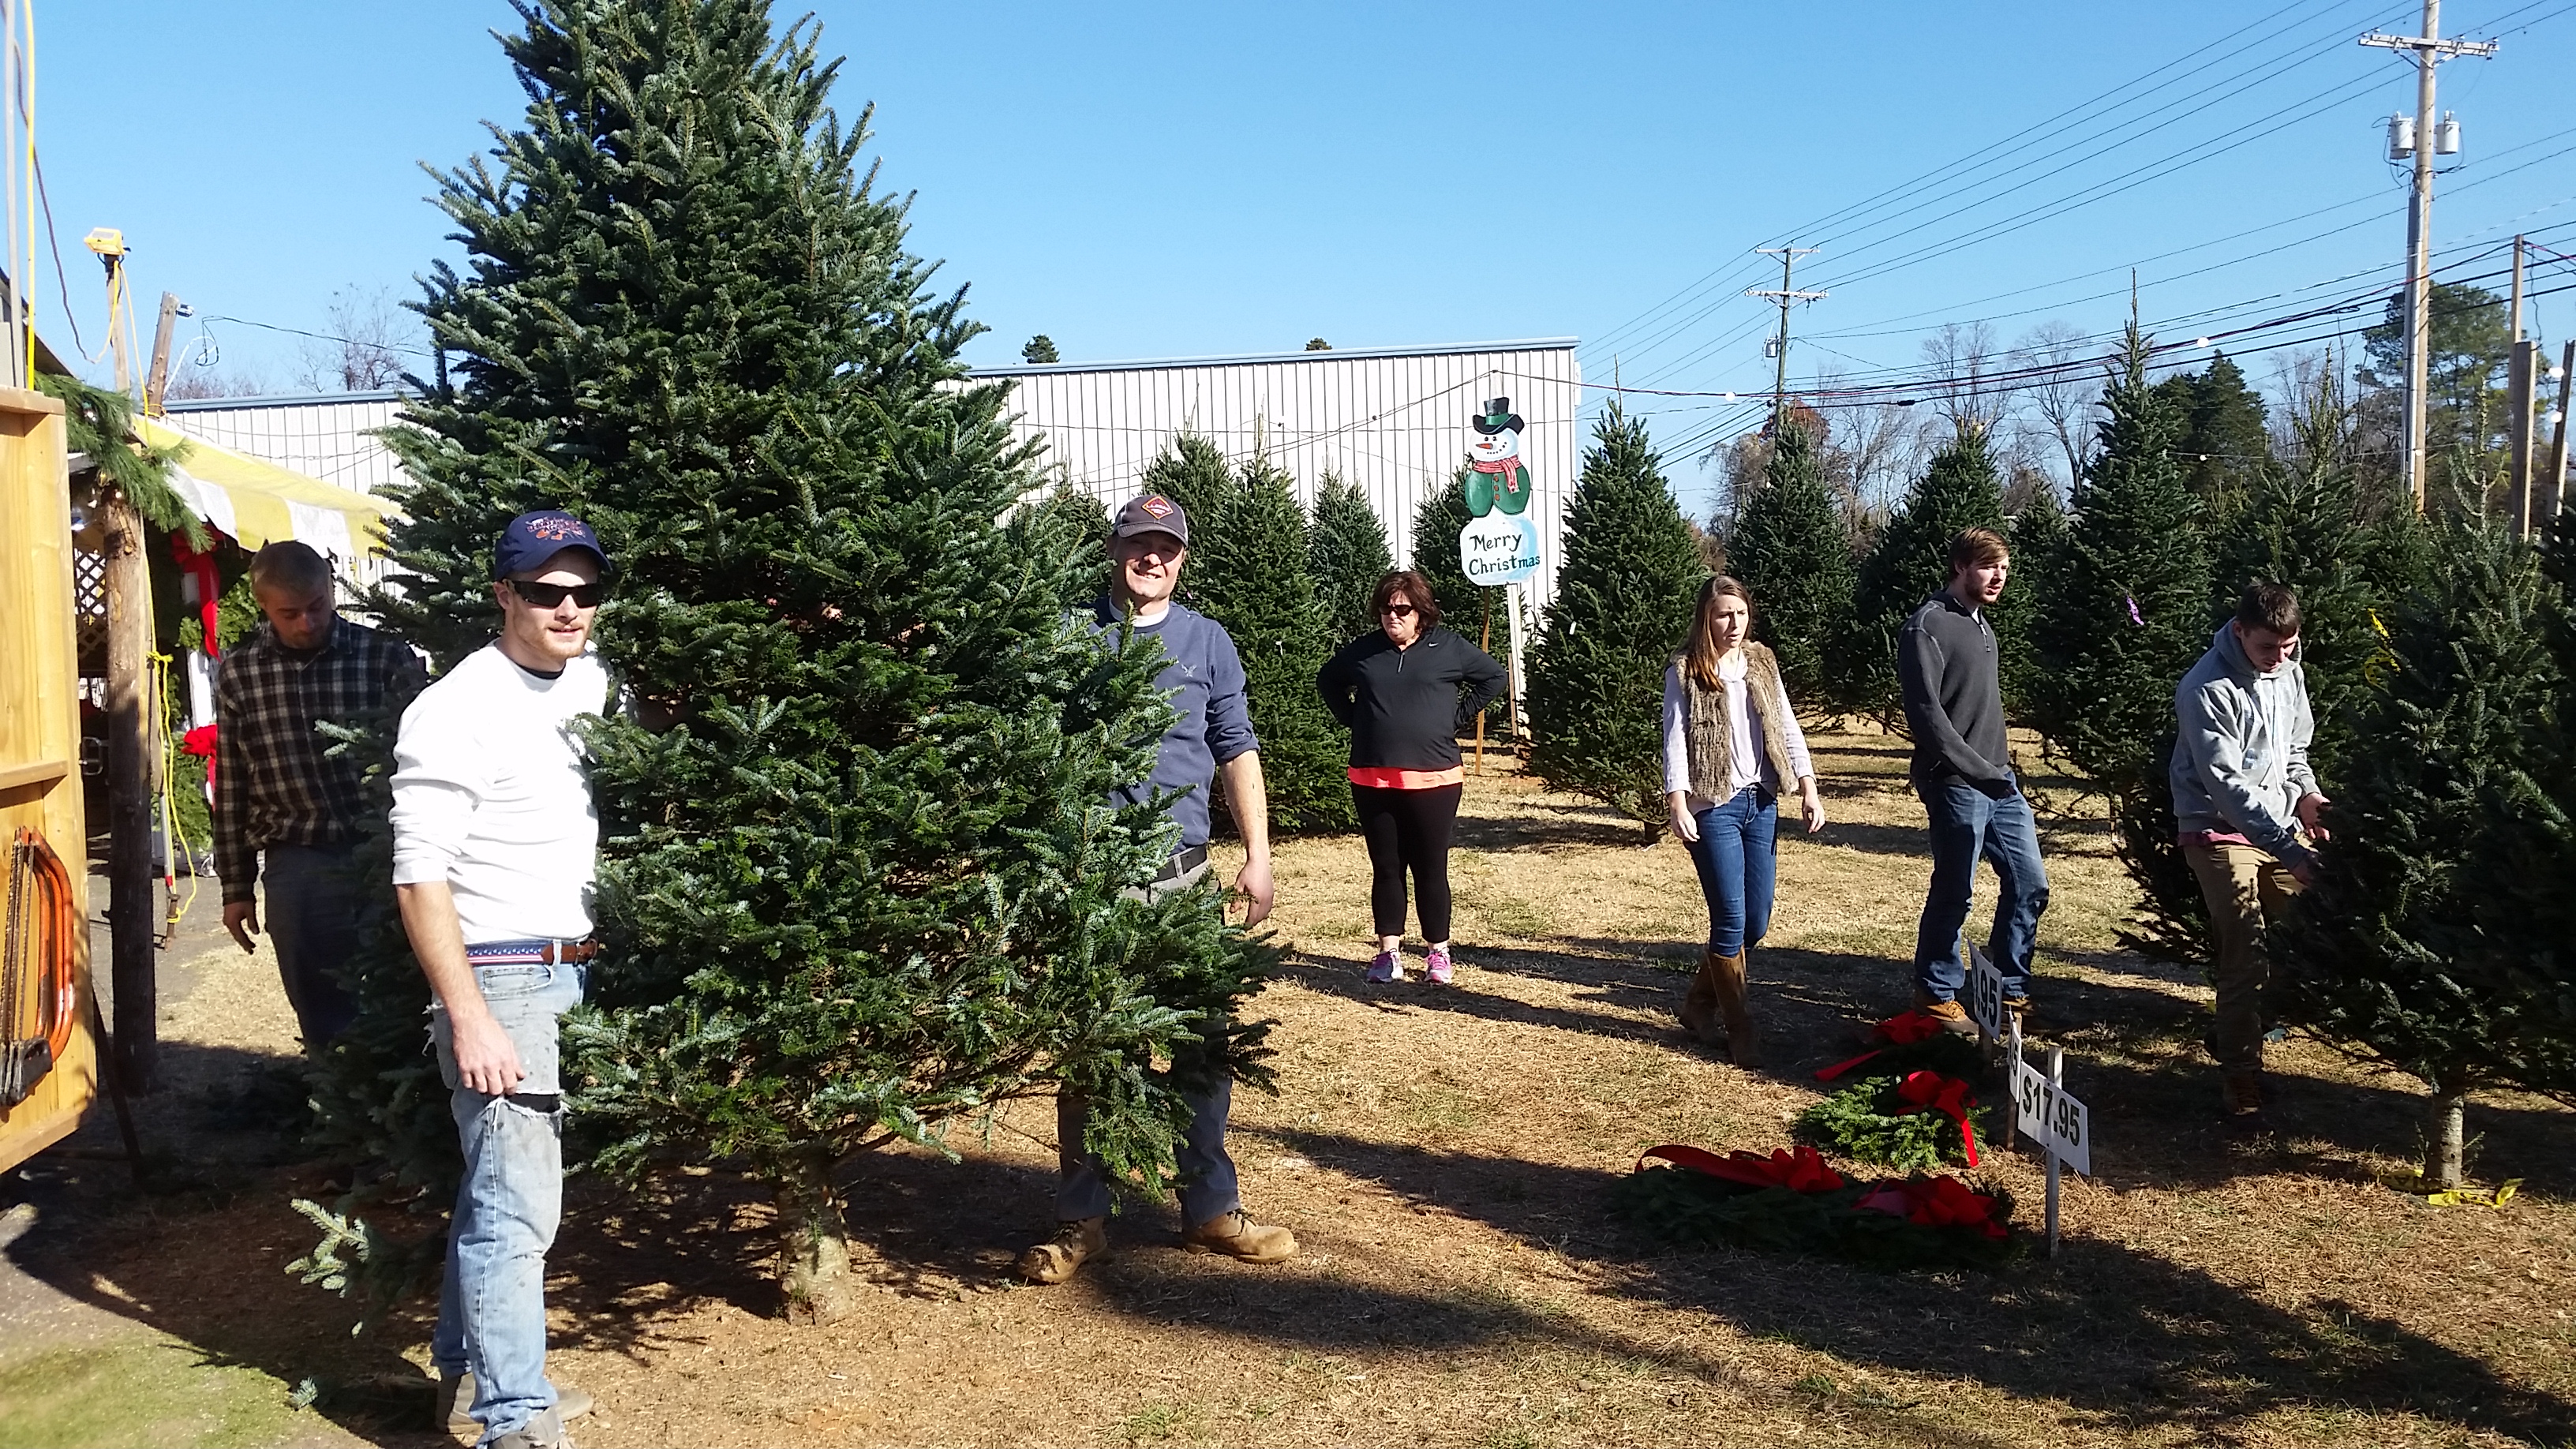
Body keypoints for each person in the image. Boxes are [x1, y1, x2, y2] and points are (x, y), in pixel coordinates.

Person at [1020, 492, 1297, 1286]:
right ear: (1115, 549)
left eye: (1166, 547)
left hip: (1183, 881)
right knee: (1091, 1051)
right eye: (1139, 543)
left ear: (1182, 557)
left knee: (1201, 1048)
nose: (1152, 557)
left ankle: (1209, 1209)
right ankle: (1083, 1221)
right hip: (1092, 885)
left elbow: (1236, 748)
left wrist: (1259, 855)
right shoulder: (1073, 636)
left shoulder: (1207, 641)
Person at [391, 511, 612, 1449]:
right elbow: (417, 873)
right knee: (519, 1214)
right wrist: (469, 1013)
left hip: (570, 968)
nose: (568, 608)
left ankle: (465, 1376)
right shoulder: (456, 708)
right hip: (501, 978)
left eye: (584, 592)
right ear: (504, 596)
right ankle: (517, 1421)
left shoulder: (592, 684)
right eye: (545, 590)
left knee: (496, 1193)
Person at [214, 540, 425, 1047]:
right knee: (316, 998)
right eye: (290, 614)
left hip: (384, 852)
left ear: (331, 592)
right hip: (298, 861)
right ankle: (338, 1104)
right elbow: (234, 781)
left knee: (403, 988)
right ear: (264, 606)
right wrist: (236, 887)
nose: (307, 623)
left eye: (317, 607)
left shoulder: (385, 658)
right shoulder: (240, 673)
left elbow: (427, 762)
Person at [2172, 582, 2328, 1127]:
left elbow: (2295, 750)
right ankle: (2240, 1073)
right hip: (2218, 831)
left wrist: (2307, 795)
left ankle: (2234, 1030)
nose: (2280, 659)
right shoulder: (2205, 688)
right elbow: (2228, 788)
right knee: (2246, 946)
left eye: (2290, 647)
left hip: (2279, 827)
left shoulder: (2289, 670)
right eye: (2269, 649)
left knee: (2309, 935)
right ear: (2239, 632)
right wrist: (2289, 849)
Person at [1661, 577, 1822, 1065]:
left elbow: (1786, 725)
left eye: (1741, 614)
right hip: (1714, 806)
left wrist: (1808, 785)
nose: (1734, 625)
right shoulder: (1686, 671)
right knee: (1730, 918)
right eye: (1723, 615)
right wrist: (1678, 801)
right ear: (1705, 619)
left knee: (1756, 919)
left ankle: (1698, 1002)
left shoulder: (1761, 663)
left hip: (1762, 801)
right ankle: (1740, 1026)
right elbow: (1673, 740)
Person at [1316, 570, 1507, 984]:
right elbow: (1327, 680)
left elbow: (1494, 677)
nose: (1392, 617)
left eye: (1402, 610)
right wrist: (1355, 720)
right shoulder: (1365, 652)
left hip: (1435, 780)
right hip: (1372, 779)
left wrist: (1454, 717)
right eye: (1385, 610)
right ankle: (1388, 954)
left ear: (1421, 613)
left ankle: (1438, 953)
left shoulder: (1449, 648)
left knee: (1430, 867)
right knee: (1386, 867)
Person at [1897, 526, 2049, 1037]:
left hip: (2000, 782)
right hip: (1956, 782)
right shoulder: (1928, 626)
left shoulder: (1985, 629)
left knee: (2030, 883)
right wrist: (1977, 772)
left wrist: (2000, 773)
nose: (1998, 576)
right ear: (1961, 567)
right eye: (1988, 566)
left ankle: (2010, 988)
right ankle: (1936, 991)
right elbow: (1929, 718)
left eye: (2004, 567)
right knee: (1956, 888)